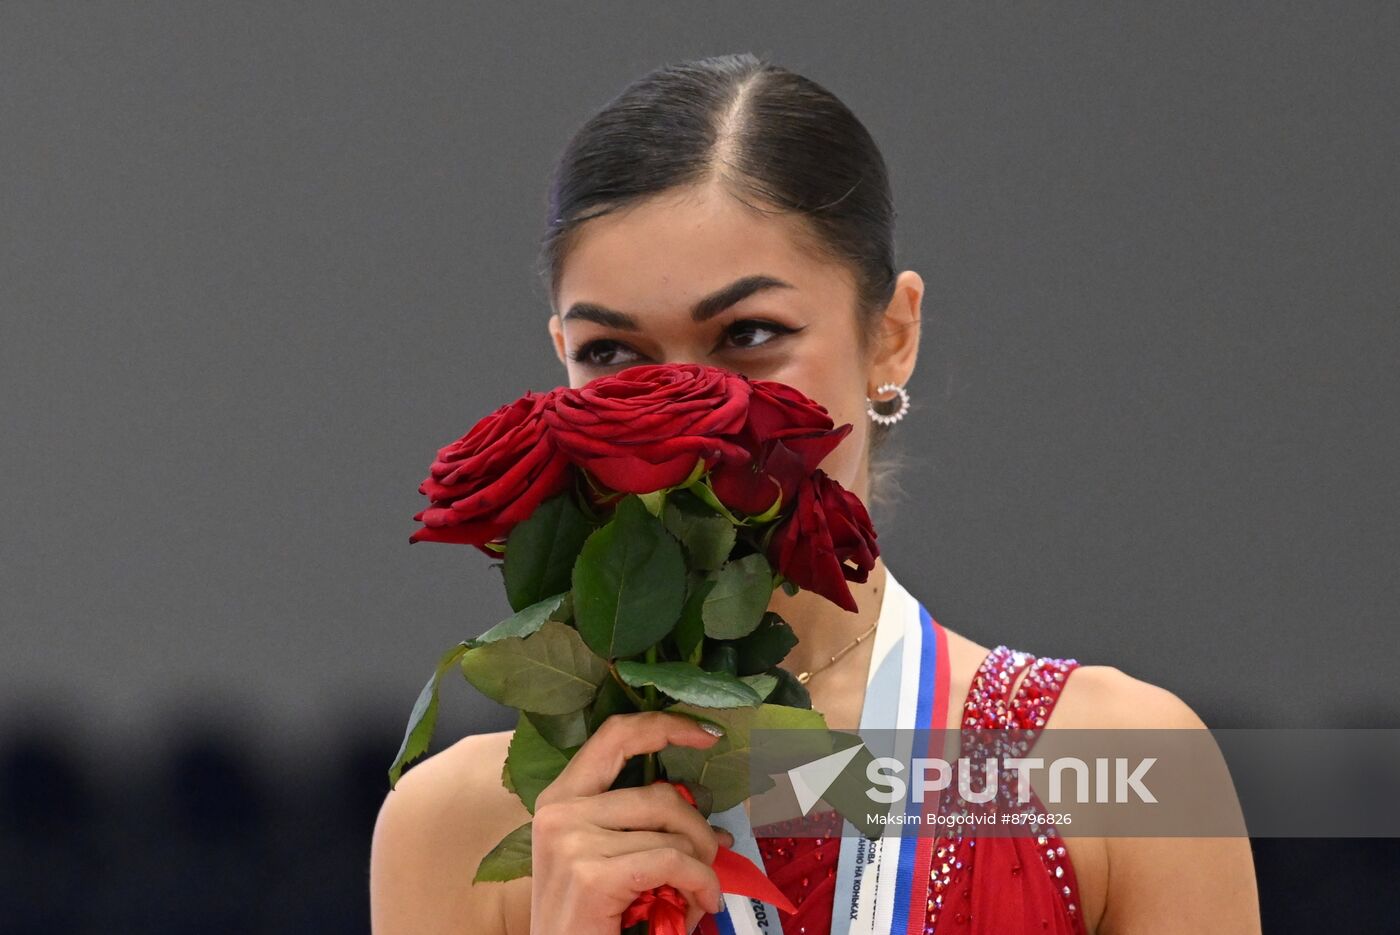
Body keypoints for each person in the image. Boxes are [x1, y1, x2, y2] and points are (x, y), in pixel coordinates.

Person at [369, 53, 1260, 934]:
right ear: (560, 355)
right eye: (611, 353)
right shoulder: (461, 826)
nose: (693, 417)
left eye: (749, 334)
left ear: (892, 335)